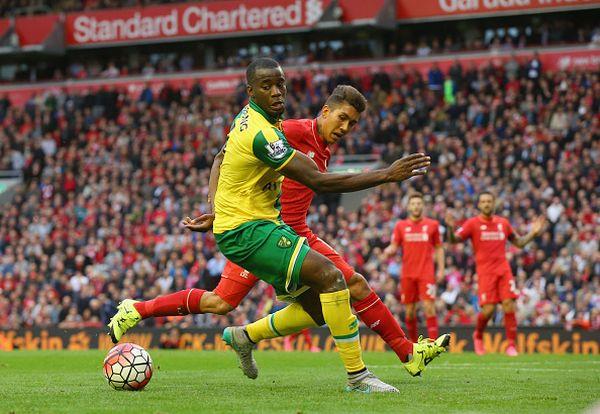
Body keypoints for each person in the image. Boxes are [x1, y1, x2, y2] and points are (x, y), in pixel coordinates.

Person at [110, 58, 447, 393]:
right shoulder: (285, 131)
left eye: (353, 123)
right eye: (342, 118)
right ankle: (372, 370)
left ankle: (229, 332)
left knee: (299, 305)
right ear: (325, 111)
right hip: (260, 231)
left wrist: (216, 210)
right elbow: (295, 175)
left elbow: (227, 158)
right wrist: (387, 174)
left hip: (273, 229)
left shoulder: (281, 129)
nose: (346, 128)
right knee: (333, 282)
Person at [445, 191, 545, 356]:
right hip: (485, 273)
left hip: (503, 270)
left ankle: (511, 345)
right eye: (483, 201)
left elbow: (519, 243)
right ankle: (478, 335)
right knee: (488, 310)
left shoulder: (503, 223)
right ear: (479, 204)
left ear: (494, 204)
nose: (486, 204)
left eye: (489, 201)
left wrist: (533, 234)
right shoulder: (472, 223)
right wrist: (450, 228)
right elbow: (453, 240)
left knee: (509, 305)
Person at [384, 192, 444, 342]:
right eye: (413, 204)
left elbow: (439, 248)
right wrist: (389, 250)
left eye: (418, 203)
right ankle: (414, 344)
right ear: (408, 207)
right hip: (407, 273)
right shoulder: (401, 226)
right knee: (410, 311)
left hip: (426, 272)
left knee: (429, 307)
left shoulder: (432, 225)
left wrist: (441, 269)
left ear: (423, 206)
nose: (416, 206)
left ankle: (434, 344)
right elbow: (394, 245)